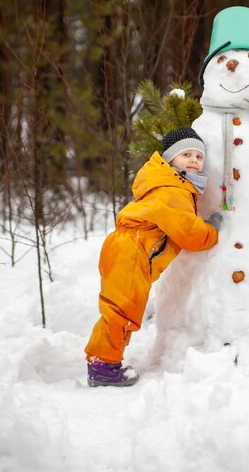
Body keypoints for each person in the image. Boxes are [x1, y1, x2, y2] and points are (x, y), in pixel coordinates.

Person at [85, 126, 223, 387]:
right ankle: (103, 365)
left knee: (124, 308)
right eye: (186, 155)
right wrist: (213, 231)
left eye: (199, 156)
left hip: (128, 247)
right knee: (121, 310)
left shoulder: (172, 184)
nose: (194, 160)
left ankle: (104, 360)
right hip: (131, 251)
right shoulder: (172, 189)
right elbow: (189, 233)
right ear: (171, 159)